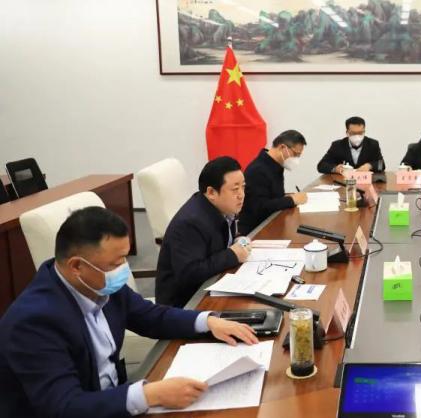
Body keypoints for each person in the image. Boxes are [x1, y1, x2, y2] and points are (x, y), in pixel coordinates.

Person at [0, 207, 258, 417]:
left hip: (113, 400)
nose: (124, 269)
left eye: (125, 257)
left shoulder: (97, 284)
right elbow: (63, 406)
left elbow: (151, 316)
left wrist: (208, 322)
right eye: (116, 263)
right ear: (77, 266)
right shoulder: (34, 321)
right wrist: (149, 395)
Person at [156, 157, 250, 307]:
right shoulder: (190, 223)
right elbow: (190, 273)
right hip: (185, 306)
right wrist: (232, 255)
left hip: (210, 286)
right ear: (211, 192)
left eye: (243, 187)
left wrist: (236, 241)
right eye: (235, 189)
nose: (242, 195)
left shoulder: (222, 208)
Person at [239, 130, 308, 234]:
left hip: (271, 223)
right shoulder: (258, 170)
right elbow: (259, 207)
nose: (296, 159)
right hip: (256, 230)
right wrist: (291, 200)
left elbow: (273, 196)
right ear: (282, 147)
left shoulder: (275, 165)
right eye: (295, 154)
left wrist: (289, 198)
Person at [317, 116, 385, 174]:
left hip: (365, 181)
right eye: (353, 133)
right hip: (343, 182)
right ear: (347, 132)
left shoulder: (373, 144)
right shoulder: (337, 145)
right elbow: (321, 165)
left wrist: (370, 166)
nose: (357, 136)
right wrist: (335, 169)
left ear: (364, 131)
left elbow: (381, 165)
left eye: (360, 133)